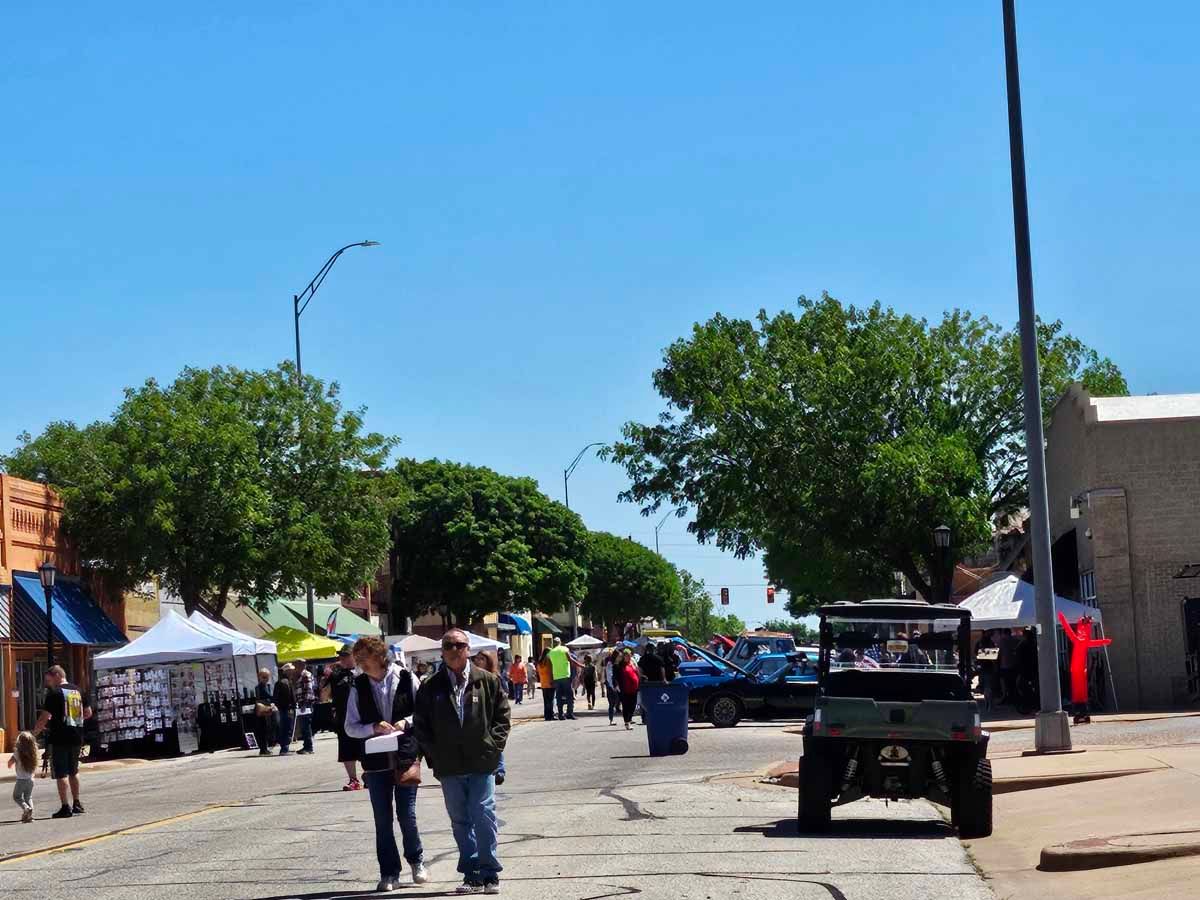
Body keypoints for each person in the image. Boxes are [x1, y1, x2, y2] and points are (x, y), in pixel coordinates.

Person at [414, 629, 511, 895]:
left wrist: (493, 747)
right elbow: (421, 725)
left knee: (483, 814)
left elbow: (502, 717)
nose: (454, 650)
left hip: (482, 762)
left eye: (459, 645)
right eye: (448, 645)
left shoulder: (487, 680)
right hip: (449, 767)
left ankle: (490, 872)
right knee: (460, 820)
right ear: (442, 651)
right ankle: (471, 874)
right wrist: (434, 755)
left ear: (468, 649)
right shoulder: (430, 686)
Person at [344, 636, 429, 892]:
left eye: (363, 657)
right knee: (382, 819)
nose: (360, 663)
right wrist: (372, 727)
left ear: (380, 656)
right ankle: (389, 872)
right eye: (357, 659)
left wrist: (407, 722)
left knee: (407, 816)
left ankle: (416, 861)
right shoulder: (357, 686)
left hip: (405, 757)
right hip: (375, 761)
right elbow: (350, 726)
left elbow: (424, 712)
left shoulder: (406, 677)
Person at [32, 665, 91, 819]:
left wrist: (33, 734)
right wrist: (74, 720)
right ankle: (77, 803)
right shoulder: (78, 690)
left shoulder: (54, 693)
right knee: (74, 770)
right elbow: (88, 713)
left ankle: (65, 807)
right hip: (77, 736)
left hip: (59, 737)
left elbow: (44, 717)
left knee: (61, 773)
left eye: (49, 679)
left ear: (57, 675)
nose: (48, 683)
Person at [325, 647, 364, 789]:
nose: (342, 658)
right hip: (343, 717)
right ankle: (353, 780)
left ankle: (370, 776)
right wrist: (327, 675)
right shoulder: (336, 675)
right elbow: (324, 696)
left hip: (362, 717)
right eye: (341, 656)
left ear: (354, 656)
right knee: (346, 750)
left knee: (365, 748)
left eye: (346, 655)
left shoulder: (362, 671)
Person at [473, 652, 507, 786]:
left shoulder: (494, 677)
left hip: (492, 714)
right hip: (480, 715)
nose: (478, 661)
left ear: (488, 661)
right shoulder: (473, 677)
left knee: (494, 743)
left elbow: (503, 695)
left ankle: (500, 770)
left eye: (482, 659)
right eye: (477, 659)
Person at [8, 730, 37, 823]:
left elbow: (10, 762)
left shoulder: (17, 752)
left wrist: (10, 765)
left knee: (17, 796)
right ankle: (29, 815)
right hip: (31, 779)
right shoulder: (33, 753)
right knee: (28, 797)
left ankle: (26, 808)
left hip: (21, 780)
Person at [546, 638, 576, 720]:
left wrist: (551, 678)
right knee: (569, 696)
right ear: (560, 642)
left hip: (556, 677)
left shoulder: (550, 653)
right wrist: (580, 665)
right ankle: (570, 713)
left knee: (559, 697)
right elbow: (571, 660)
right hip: (566, 676)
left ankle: (560, 714)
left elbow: (550, 667)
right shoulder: (565, 649)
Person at [292, 658, 316, 755]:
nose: (295, 667)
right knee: (303, 726)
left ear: (301, 665)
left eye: (296, 665)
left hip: (306, 703)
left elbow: (308, 690)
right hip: (302, 703)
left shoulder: (306, 675)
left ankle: (309, 747)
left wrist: (305, 704)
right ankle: (306, 746)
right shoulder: (300, 675)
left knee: (306, 726)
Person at [614, 650, 641, 730]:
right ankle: (627, 722)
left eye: (630, 656)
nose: (629, 657)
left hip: (634, 688)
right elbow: (615, 677)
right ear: (623, 657)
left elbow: (637, 673)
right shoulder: (619, 666)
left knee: (633, 705)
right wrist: (616, 686)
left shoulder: (632, 664)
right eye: (627, 656)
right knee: (626, 706)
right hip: (624, 689)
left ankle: (629, 719)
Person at [253, 668, 277, 756]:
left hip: (268, 710)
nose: (266, 679)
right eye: (264, 677)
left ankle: (265, 748)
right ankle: (263, 749)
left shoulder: (268, 686)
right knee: (262, 729)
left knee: (268, 729)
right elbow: (261, 699)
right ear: (259, 677)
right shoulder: (259, 687)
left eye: (267, 677)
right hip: (262, 710)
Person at [274, 663, 296, 755]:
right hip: (287, 708)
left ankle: (285, 747)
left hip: (283, 709)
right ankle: (284, 748)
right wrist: (293, 705)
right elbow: (291, 697)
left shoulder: (279, 682)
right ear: (286, 671)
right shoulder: (286, 682)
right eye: (290, 671)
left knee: (284, 728)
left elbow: (275, 697)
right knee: (287, 728)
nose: (292, 672)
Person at [537, 649, 555, 722]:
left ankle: (546, 715)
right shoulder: (549, 660)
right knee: (551, 700)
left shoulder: (540, 662)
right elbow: (550, 671)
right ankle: (550, 715)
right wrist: (552, 680)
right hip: (549, 682)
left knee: (546, 700)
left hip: (543, 683)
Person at [604, 651, 620, 726]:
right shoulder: (610, 664)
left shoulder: (616, 664)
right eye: (619, 656)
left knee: (616, 702)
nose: (620, 658)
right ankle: (611, 719)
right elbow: (609, 676)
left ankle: (628, 719)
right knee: (612, 703)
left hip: (615, 686)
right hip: (612, 687)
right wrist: (613, 686)